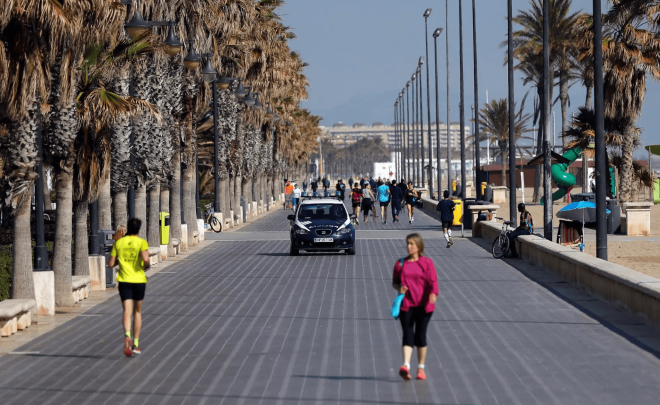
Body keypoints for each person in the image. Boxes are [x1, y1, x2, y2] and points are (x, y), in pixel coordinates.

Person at [392, 233, 439, 380]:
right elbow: (395, 281)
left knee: (420, 335)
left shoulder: (427, 263)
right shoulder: (400, 264)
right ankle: (406, 366)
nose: (409, 246)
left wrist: (433, 295)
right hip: (407, 305)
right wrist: (399, 289)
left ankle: (421, 368)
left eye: (412, 244)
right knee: (407, 334)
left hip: (424, 306)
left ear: (418, 246)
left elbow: (433, 283)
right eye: (408, 243)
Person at [108, 217, 150, 357]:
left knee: (127, 310)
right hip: (138, 280)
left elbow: (111, 264)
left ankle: (127, 335)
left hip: (124, 280)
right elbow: (145, 260)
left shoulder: (119, 243)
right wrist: (146, 266)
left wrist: (120, 261)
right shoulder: (141, 242)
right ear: (138, 230)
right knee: (137, 312)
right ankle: (136, 344)